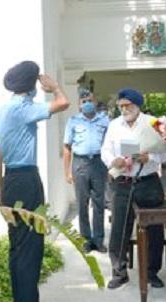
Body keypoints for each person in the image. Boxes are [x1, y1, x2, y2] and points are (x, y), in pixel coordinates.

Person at [0, 60, 69, 302]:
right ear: (32, 83)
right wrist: (55, 86)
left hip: (10, 180)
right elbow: (63, 103)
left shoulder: (2, 112)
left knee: (17, 244)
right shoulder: (23, 108)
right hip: (26, 179)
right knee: (30, 244)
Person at [101, 88, 166, 290]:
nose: (124, 109)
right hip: (122, 181)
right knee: (119, 228)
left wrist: (152, 158)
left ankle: (151, 272)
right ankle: (119, 272)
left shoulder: (155, 123)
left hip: (148, 181)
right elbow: (105, 150)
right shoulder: (113, 125)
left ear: (137, 105)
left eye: (127, 105)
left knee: (154, 229)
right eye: (121, 106)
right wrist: (112, 160)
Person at [63, 88, 109, 253]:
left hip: (98, 163)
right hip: (80, 163)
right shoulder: (73, 121)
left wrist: (110, 168)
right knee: (82, 203)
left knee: (99, 203)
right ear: (79, 105)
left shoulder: (104, 121)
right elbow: (67, 147)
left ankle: (98, 240)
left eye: (90, 100)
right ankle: (86, 240)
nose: (87, 104)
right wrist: (67, 172)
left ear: (95, 102)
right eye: (84, 102)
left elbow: (110, 144)